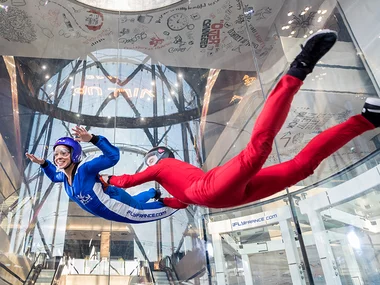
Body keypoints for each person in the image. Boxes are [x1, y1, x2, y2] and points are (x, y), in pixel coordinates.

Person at [102, 29, 380, 209]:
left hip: (211, 191)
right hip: (220, 194)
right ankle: (366, 120)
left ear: (161, 155)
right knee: (299, 168)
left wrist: (106, 180)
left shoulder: (162, 169)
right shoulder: (170, 181)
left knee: (263, 154)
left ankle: (300, 68)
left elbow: (129, 181)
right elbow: (178, 202)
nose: (151, 161)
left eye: (153, 156)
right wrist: (160, 199)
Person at [25, 126, 178, 223]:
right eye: (56, 154)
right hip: (112, 203)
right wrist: (44, 163)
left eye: (64, 153)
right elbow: (53, 176)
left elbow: (112, 157)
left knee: (141, 211)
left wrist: (93, 139)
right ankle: (153, 192)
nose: (58, 157)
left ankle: (181, 201)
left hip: (116, 206)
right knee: (135, 201)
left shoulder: (85, 168)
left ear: (75, 154)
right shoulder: (65, 177)